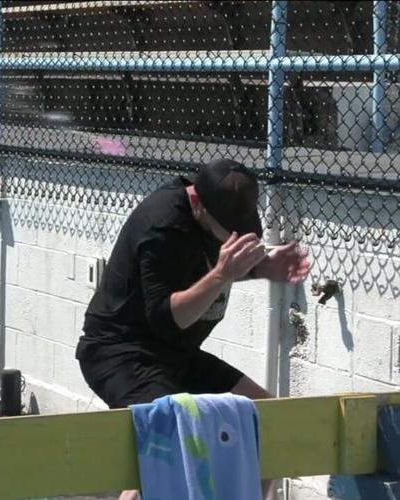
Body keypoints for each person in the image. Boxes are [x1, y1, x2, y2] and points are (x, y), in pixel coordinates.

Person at [75, 159, 310, 500]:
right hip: (121, 354)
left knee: (269, 420)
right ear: (197, 205)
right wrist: (221, 275)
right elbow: (170, 318)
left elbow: (205, 266)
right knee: (167, 440)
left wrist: (262, 268)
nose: (232, 240)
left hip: (175, 355)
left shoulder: (214, 213)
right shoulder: (162, 227)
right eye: (225, 233)